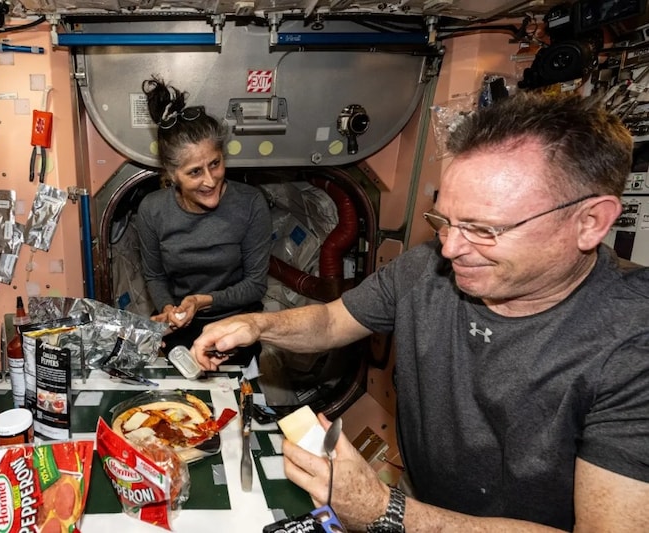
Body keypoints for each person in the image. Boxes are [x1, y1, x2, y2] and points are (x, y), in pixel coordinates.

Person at [189, 92, 649, 531]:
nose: (450, 248)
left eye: (483, 229)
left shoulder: (634, 342)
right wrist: (256, 324)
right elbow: (332, 320)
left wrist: (384, 512)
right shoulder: (424, 268)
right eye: (444, 221)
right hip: (421, 506)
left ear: (590, 222)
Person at [134, 76, 271, 365]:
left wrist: (201, 300)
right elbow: (155, 276)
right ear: (172, 175)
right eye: (195, 172)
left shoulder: (250, 203)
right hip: (182, 328)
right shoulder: (152, 210)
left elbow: (255, 284)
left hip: (239, 326)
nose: (210, 180)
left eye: (215, 164)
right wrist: (170, 308)